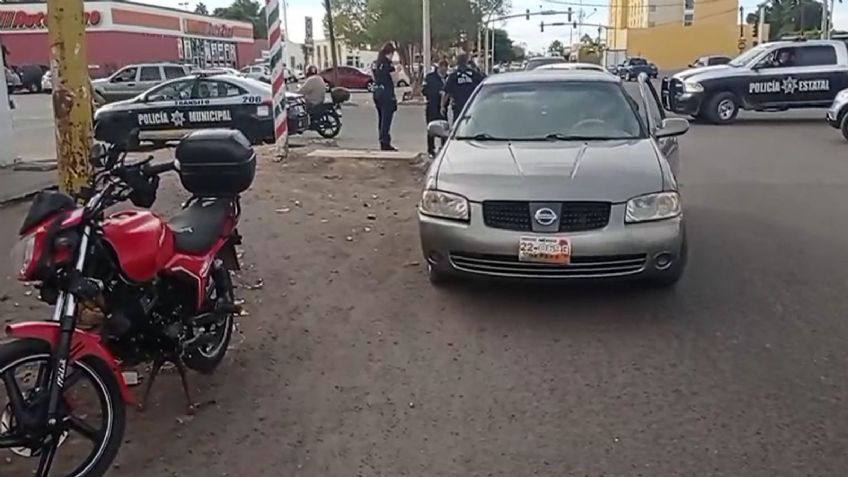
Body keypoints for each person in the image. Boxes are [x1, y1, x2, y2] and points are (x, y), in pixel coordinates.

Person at [442, 53, 485, 123]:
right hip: (472, 105)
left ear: (457, 62)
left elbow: (446, 92)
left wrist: (442, 106)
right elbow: (483, 87)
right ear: (466, 62)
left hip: (458, 107)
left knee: (458, 123)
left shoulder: (454, 76)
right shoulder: (474, 74)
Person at [372, 42, 398, 151]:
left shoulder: (376, 63)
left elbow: (373, 76)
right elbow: (394, 80)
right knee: (386, 118)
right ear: (390, 53)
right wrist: (398, 71)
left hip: (377, 92)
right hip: (387, 93)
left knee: (381, 118)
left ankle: (382, 140)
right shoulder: (389, 64)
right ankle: (385, 142)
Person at [423, 59, 448, 156]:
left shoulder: (448, 78)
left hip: (443, 107)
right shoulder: (430, 77)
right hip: (432, 105)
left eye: (445, 70)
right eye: (442, 69)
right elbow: (424, 90)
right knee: (431, 128)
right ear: (439, 68)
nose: (444, 71)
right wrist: (436, 93)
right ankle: (431, 149)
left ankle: (443, 147)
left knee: (444, 127)